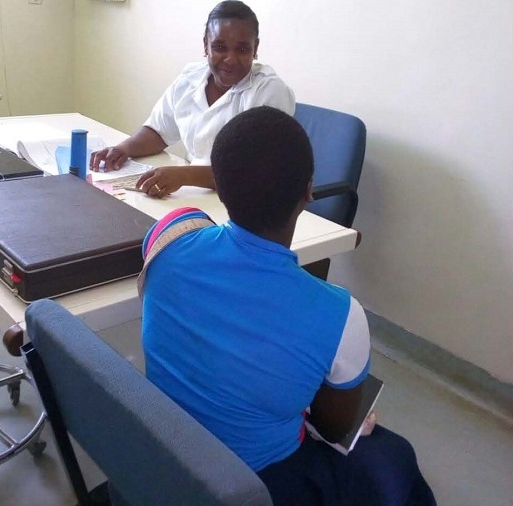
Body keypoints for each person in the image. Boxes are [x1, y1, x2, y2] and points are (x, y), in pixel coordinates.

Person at [140, 107, 435, 504]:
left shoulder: (168, 235)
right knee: (394, 455)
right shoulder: (340, 315)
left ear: (220, 187)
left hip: (168, 456)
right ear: (308, 190)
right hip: (260, 483)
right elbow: (333, 429)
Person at [90, 1, 294, 198]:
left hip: (249, 205)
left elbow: (252, 173)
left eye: (242, 49)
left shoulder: (269, 91)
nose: (230, 59)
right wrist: (123, 149)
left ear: (255, 47)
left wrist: (185, 175)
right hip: (197, 195)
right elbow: (159, 131)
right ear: (206, 45)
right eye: (220, 47)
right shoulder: (190, 78)